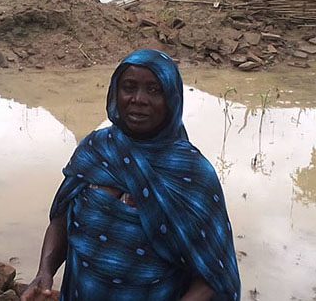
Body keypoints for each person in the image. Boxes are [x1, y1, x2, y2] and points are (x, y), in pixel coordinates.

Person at [21, 49, 241, 301]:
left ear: (172, 99)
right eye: (129, 87)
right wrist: (44, 271)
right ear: (116, 93)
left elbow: (213, 273)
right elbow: (61, 220)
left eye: (154, 90)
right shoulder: (95, 150)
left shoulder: (193, 174)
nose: (139, 99)